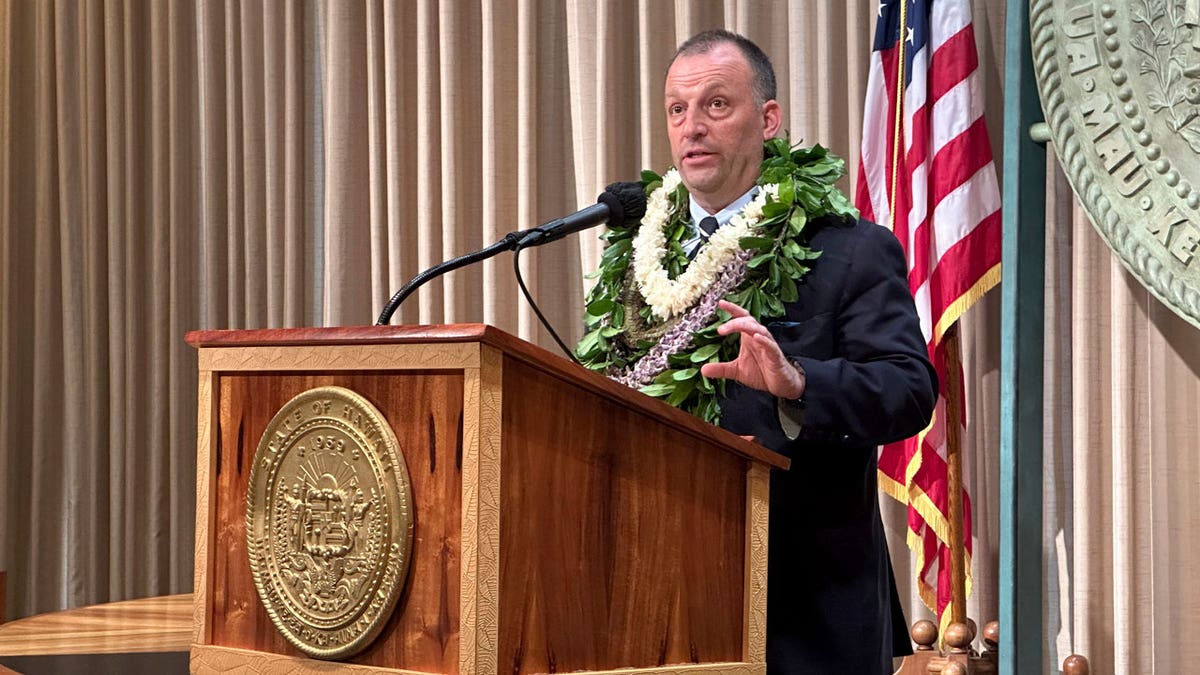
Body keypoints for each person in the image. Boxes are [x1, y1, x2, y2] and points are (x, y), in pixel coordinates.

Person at [662, 30, 938, 673]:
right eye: (678, 109)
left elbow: (908, 390)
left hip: (806, 611)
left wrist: (797, 382)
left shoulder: (850, 248)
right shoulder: (640, 262)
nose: (692, 127)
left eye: (716, 105)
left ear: (768, 120)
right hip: (666, 600)